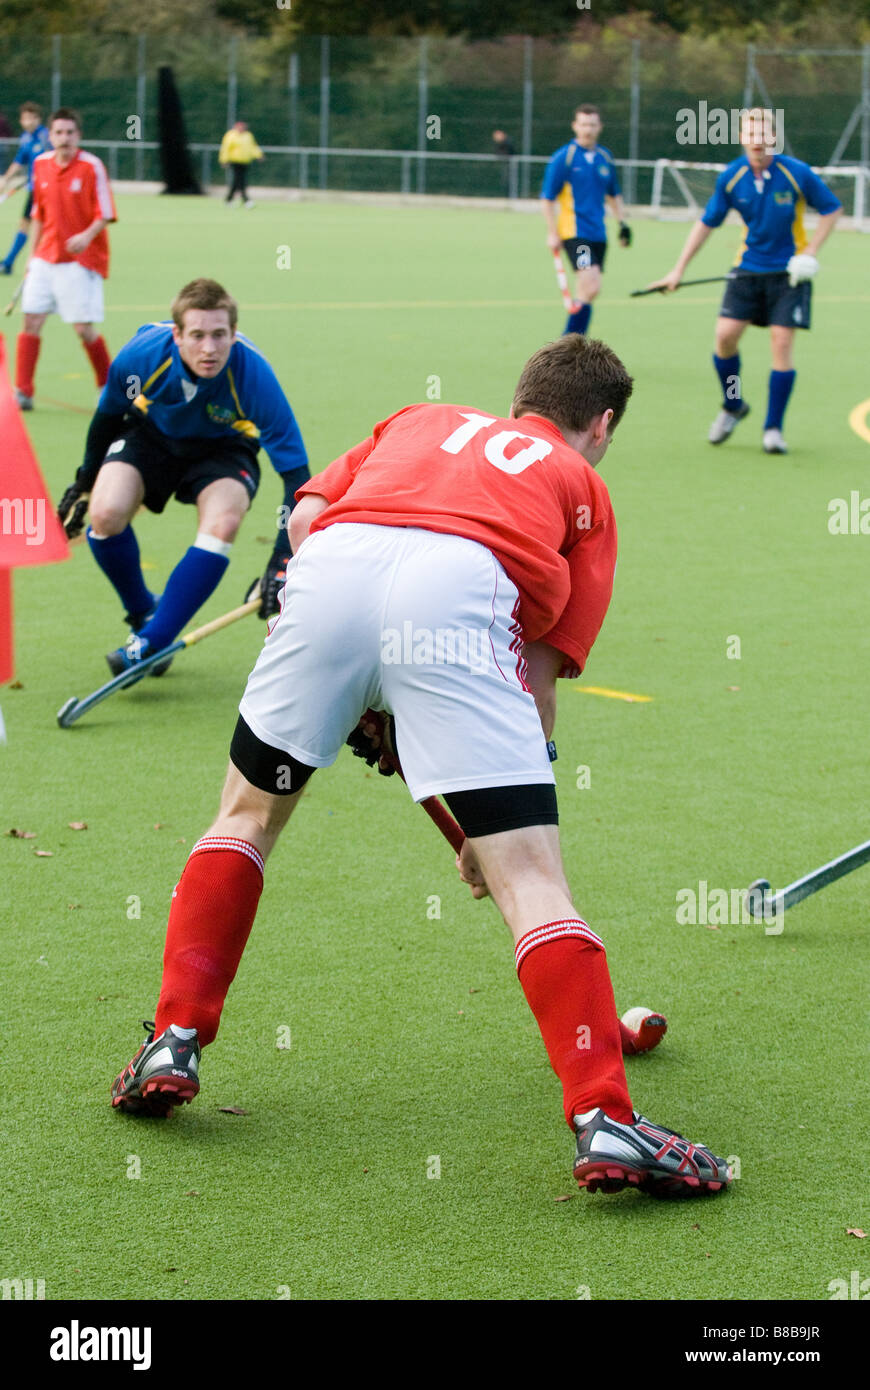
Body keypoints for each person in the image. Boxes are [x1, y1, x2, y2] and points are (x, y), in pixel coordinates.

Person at [109, 333, 731, 1201]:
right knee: (532, 881)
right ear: (601, 425)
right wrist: (495, 820)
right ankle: (603, 1115)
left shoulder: (418, 418)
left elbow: (303, 523)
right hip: (460, 596)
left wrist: (361, 691)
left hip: (332, 572)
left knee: (245, 815)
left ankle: (173, 1040)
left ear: (519, 399)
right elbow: (536, 680)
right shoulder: (583, 486)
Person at [56, 277, 309, 676]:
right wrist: (85, 483)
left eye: (219, 335)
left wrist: (283, 558)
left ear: (233, 333)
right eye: (197, 335)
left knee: (223, 523)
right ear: (177, 335)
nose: (209, 349)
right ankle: (143, 613)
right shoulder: (141, 357)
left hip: (224, 448)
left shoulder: (254, 376)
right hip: (151, 435)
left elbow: (296, 475)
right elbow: (108, 418)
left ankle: (152, 642)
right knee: (105, 515)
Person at [647, 108, 842, 454]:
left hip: (789, 276)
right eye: (751, 134)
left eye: (764, 134)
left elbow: (831, 208)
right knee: (725, 338)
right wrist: (678, 270)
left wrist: (811, 251)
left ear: (773, 138)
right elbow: (707, 223)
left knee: (781, 343)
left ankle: (773, 429)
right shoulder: (732, 177)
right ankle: (733, 403)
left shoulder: (795, 172)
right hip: (747, 271)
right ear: (742, 138)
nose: (758, 141)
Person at [14, 108, 114, 412]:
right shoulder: (41, 164)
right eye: (59, 132)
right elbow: (38, 214)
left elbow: (106, 212)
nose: (64, 138)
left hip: (80, 261)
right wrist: (31, 257)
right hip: (44, 258)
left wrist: (86, 235)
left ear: (78, 135)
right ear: (51, 135)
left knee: (83, 328)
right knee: (31, 320)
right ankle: (23, 391)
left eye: (70, 132)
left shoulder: (92, 166)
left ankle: (107, 386)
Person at [540, 104, 631, 338]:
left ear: (599, 127)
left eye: (592, 125)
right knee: (591, 285)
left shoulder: (604, 157)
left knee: (586, 291)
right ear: (575, 126)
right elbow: (547, 199)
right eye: (583, 124)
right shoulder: (564, 158)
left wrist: (622, 224)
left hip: (598, 234)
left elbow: (614, 194)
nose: (587, 130)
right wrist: (552, 233)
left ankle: (573, 343)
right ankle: (569, 342)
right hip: (575, 233)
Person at [0, 102, 52, 277]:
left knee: (45, 227)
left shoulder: (46, 136)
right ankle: (8, 262)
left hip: (49, 190)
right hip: (34, 191)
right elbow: (19, 161)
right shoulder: (25, 138)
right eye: (25, 118)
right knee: (26, 224)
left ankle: (13, 262)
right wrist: (5, 179)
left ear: (38, 119)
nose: (28, 122)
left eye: (31, 118)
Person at [218, 120, 264, 208]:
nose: (241, 129)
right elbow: (225, 149)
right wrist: (224, 160)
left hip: (245, 161)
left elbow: (253, 147)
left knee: (237, 181)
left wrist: (259, 155)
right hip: (235, 161)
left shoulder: (248, 136)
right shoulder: (230, 135)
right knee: (240, 181)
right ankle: (246, 199)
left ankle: (229, 199)